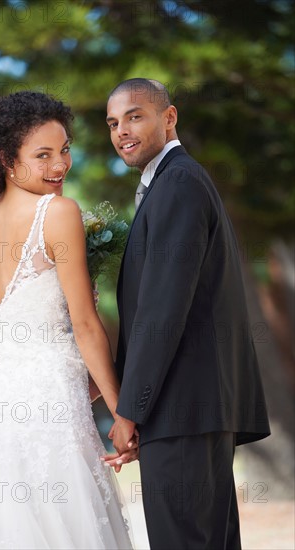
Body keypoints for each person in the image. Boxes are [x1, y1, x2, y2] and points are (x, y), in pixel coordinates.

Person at [0, 91, 137, 550]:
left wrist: (27, 328)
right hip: (52, 398)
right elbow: (85, 324)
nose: (59, 165)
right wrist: (122, 409)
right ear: (6, 159)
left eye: (64, 150)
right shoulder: (58, 213)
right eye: (42, 155)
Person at [103, 78, 271, 549]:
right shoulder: (176, 181)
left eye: (135, 116)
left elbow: (162, 309)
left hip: (182, 408)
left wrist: (131, 411)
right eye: (113, 123)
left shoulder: (177, 183)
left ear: (169, 117)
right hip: (195, 409)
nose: (122, 131)